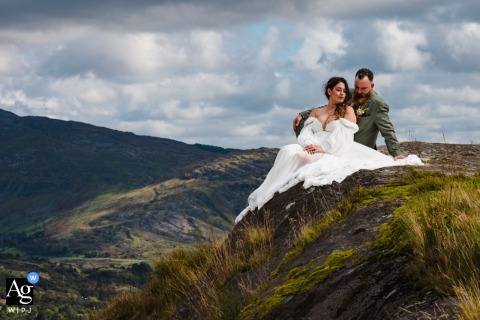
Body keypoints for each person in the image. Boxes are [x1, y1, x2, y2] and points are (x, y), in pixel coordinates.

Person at [235, 76, 422, 223]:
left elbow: (344, 137)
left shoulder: (347, 110)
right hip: (312, 145)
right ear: (329, 91)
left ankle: (278, 191)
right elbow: (306, 132)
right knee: (288, 150)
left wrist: (322, 147)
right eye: (338, 90)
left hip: (333, 148)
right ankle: (270, 191)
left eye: (343, 91)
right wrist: (308, 141)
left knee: (303, 158)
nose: (342, 94)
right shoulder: (317, 111)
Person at [293, 68, 405, 160]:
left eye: (364, 89)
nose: (359, 91)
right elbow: (328, 108)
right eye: (357, 87)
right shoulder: (348, 93)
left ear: (372, 86)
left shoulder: (378, 104)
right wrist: (303, 114)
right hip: (335, 142)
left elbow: (387, 131)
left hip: (358, 147)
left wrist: (396, 153)